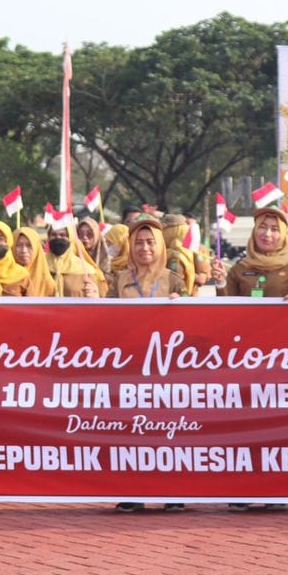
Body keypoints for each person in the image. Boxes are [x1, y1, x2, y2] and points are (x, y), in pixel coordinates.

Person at [107, 215, 185, 512]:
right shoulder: (120, 280)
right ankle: (132, 491)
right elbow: (105, 319)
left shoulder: (173, 279)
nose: (144, 248)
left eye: (151, 241)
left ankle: (174, 492)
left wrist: (183, 303)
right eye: (138, 242)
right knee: (133, 431)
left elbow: (195, 317)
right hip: (131, 365)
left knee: (170, 430)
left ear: (161, 245)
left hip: (168, 366)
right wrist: (93, 300)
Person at [223, 207, 288, 299]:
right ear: (254, 231)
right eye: (262, 227)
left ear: (283, 235)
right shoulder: (240, 268)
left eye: (274, 229)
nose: (267, 234)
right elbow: (225, 306)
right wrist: (220, 283)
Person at [47, 220, 107, 298]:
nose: (58, 238)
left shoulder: (86, 270)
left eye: (63, 235)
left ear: (71, 238)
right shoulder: (40, 266)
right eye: (54, 235)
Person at [0, 226, 59, 297]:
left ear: (37, 248)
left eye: (29, 246)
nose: (24, 250)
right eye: (18, 245)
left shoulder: (47, 283)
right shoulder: (3, 275)